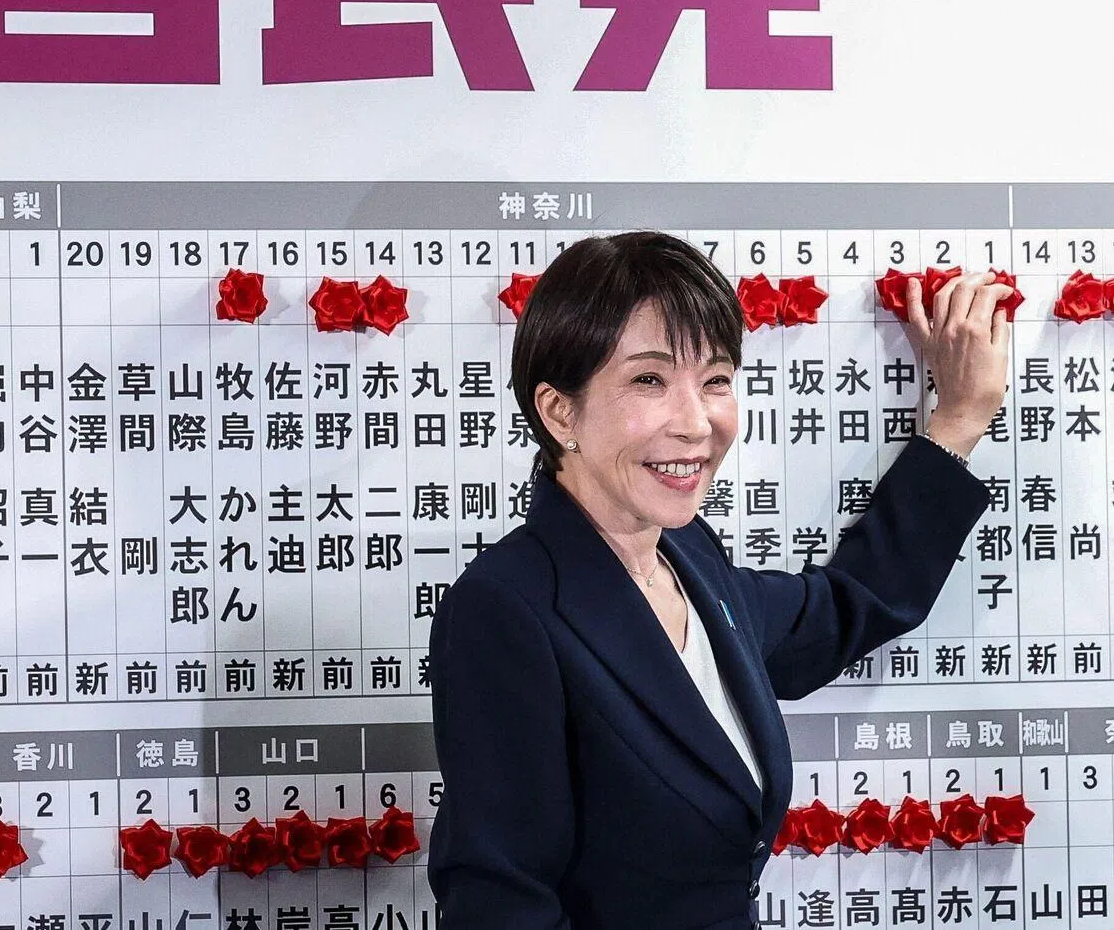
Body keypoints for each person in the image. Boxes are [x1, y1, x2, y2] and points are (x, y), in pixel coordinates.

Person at [427, 231, 1011, 930]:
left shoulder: (686, 553)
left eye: (715, 379)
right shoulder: (508, 607)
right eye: (649, 380)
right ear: (560, 411)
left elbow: (836, 612)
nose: (698, 422)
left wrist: (958, 421)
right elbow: (501, 906)